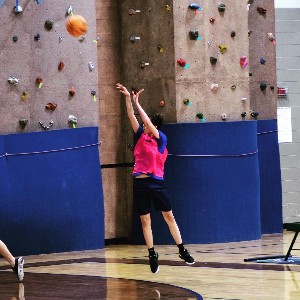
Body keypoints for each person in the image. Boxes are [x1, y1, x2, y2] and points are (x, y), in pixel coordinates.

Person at [116, 83, 195, 273]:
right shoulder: (140, 137)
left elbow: (147, 122)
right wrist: (129, 98)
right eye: (143, 124)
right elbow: (131, 116)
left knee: (168, 216)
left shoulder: (161, 140)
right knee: (145, 220)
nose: (144, 126)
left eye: (147, 124)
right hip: (140, 183)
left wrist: (138, 102)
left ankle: (182, 249)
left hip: (156, 183)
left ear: (155, 127)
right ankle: (152, 253)